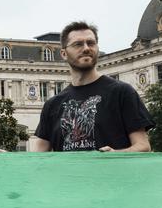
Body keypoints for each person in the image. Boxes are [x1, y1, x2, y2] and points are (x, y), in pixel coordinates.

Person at [31, 21, 154, 152]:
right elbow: (38, 156)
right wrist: (9, 159)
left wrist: (115, 155)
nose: (86, 48)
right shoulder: (52, 105)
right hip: (67, 173)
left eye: (91, 43)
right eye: (78, 44)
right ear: (63, 53)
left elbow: (143, 146)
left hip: (110, 172)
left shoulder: (122, 92)